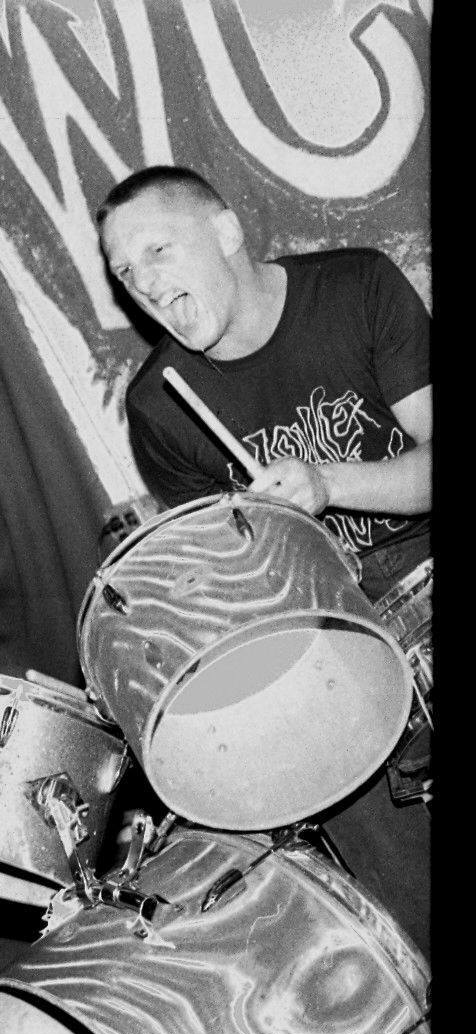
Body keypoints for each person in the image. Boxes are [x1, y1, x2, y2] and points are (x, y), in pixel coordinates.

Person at [95, 165, 430, 956]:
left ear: (226, 232)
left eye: (158, 250)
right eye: (125, 272)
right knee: (307, 756)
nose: (145, 282)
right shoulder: (160, 404)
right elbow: (247, 595)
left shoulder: (355, 289)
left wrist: (329, 483)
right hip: (332, 631)